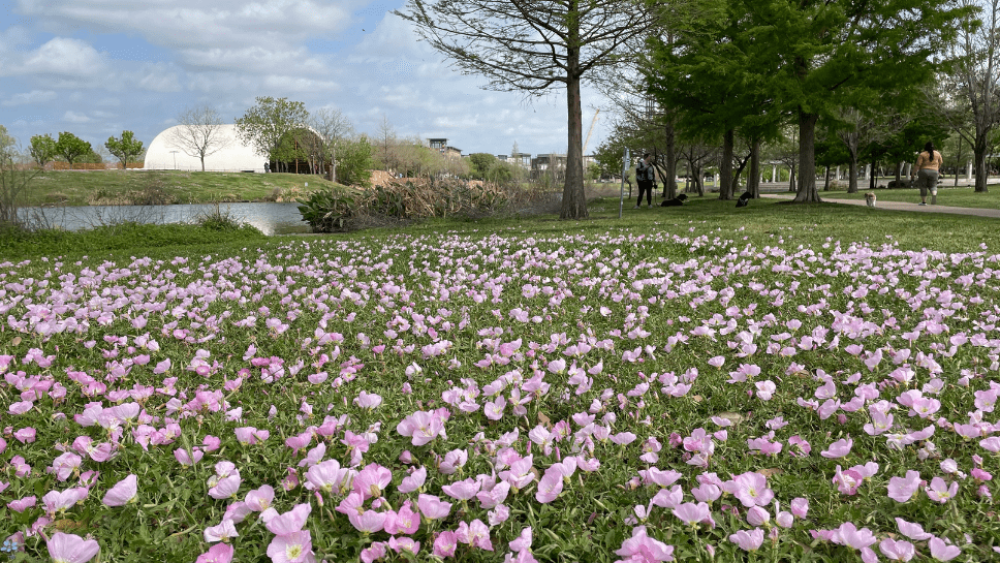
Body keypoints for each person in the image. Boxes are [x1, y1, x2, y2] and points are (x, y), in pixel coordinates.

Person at [911, 141, 943, 205]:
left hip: (923, 171)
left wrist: (913, 173)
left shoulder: (922, 154)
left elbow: (918, 164)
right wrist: (937, 168)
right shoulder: (937, 153)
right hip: (934, 171)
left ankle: (924, 202)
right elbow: (941, 162)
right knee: (933, 185)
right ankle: (934, 195)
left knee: (923, 186)